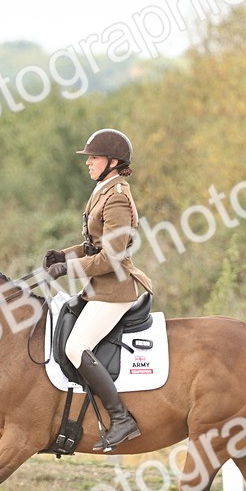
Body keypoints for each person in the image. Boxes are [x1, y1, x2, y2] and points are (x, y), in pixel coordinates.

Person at [44, 128, 154, 451]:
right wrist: (62, 254)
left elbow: (112, 256)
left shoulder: (117, 197)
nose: (88, 162)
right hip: (98, 288)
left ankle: (121, 418)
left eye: (93, 157)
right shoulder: (103, 191)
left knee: (76, 347)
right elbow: (93, 245)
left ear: (113, 161)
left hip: (115, 291)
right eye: (89, 157)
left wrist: (69, 268)